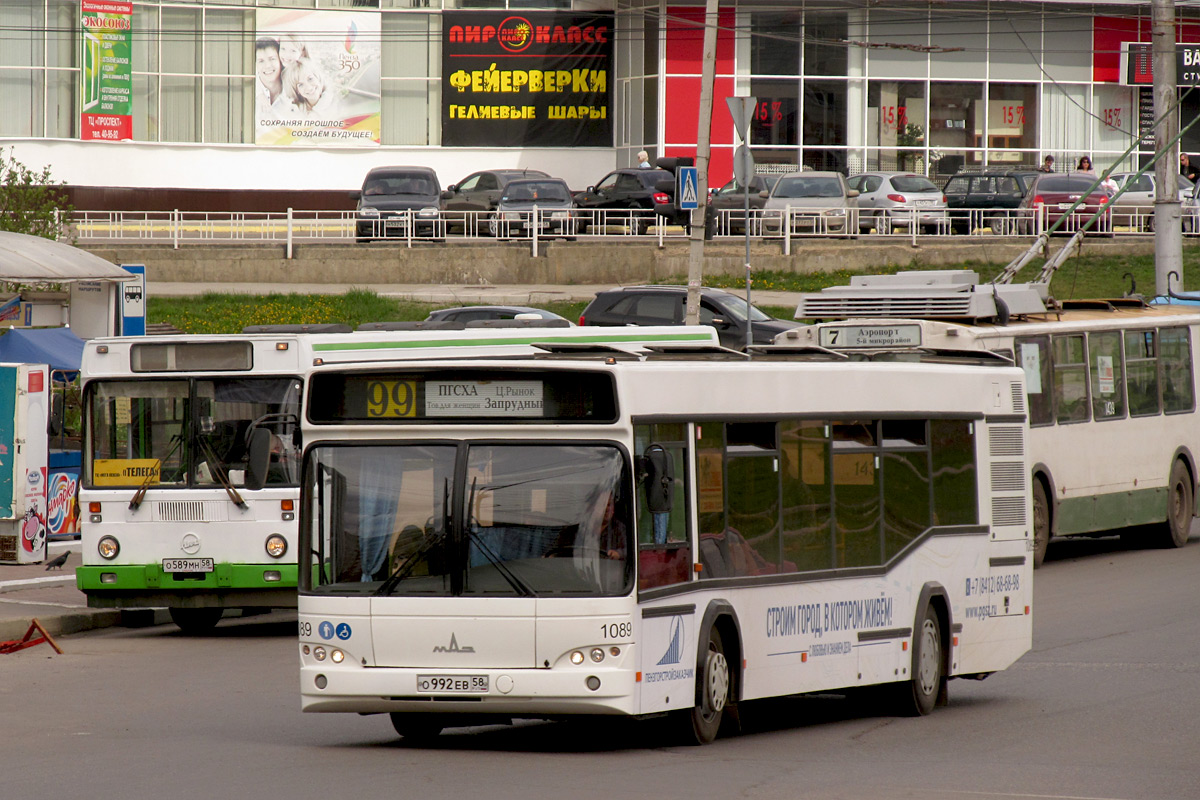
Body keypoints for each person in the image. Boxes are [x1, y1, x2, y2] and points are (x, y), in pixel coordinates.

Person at [254, 38, 294, 119]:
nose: (268, 66)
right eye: (261, 61)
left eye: (272, 59)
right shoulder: (250, 93)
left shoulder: (294, 89)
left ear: (280, 60)